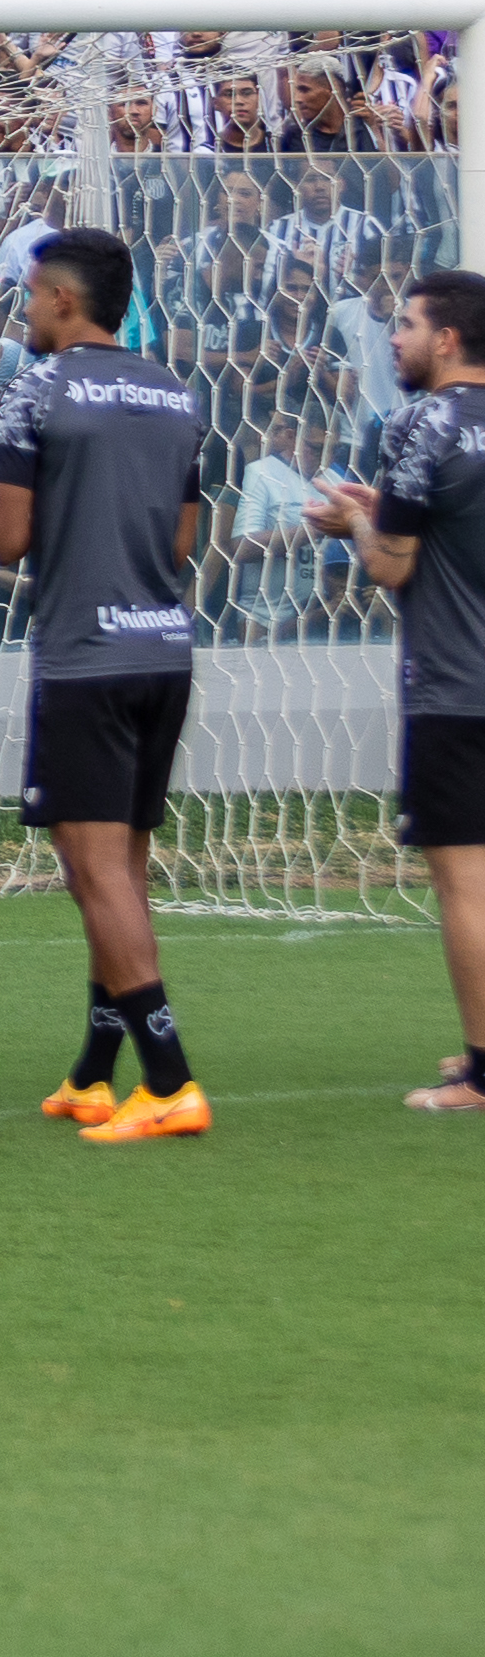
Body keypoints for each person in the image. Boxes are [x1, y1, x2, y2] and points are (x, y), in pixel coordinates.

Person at [0, 228, 212, 1140]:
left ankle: (169, 1080)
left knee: (92, 869)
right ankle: (94, 1071)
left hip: (87, 654)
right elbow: (183, 544)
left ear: (64, 301)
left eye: (32, 294)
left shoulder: (34, 390)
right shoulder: (175, 391)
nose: (26, 309)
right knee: (124, 868)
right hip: (163, 646)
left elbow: (6, 541)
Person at [325, 265, 485, 1112]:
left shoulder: (422, 423)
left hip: (457, 687)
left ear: (447, 339)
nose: (395, 337)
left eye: (408, 323)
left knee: (466, 882)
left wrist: (353, 518)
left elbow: (393, 563)